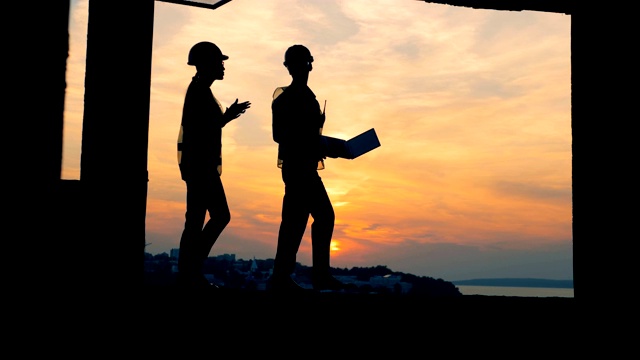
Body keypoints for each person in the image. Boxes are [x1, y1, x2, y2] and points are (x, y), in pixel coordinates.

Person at [268, 44, 345, 292]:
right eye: (300, 64)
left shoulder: (305, 96)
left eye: (305, 64)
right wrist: (313, 143)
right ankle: (317, 276)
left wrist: (320, 145)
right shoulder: (286, 97)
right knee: (323, 216)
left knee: (294, 222)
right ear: (293, 67)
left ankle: (281, 277)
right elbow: (280, 134)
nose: (304, 68)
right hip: (299, 168)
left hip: (302, 166)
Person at [176, 41, 251, 287]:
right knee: (219, 215)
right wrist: (226, 116)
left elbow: (206, 126)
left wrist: (227, 116)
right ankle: (191, 268)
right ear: (207, 64)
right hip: (201, 167)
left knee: (196, 220)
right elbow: (201, 129)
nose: (223, 67)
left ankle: (189, 272)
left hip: (198, 166)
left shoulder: (200, 90)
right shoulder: (199, 91)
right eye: (219, 62)